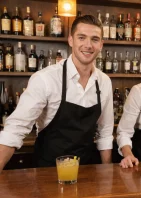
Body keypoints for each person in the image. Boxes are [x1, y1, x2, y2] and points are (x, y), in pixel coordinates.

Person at [0, 15, 114, 172]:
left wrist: (106, 172)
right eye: (81, 37)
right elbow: (15, 129)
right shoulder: (45, 79)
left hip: (89, 169)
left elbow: (105, 133)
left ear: (101, 45)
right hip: (49, 171)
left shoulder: (104, 82)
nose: (88, 45)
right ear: (70, 40)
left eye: (95, 39)